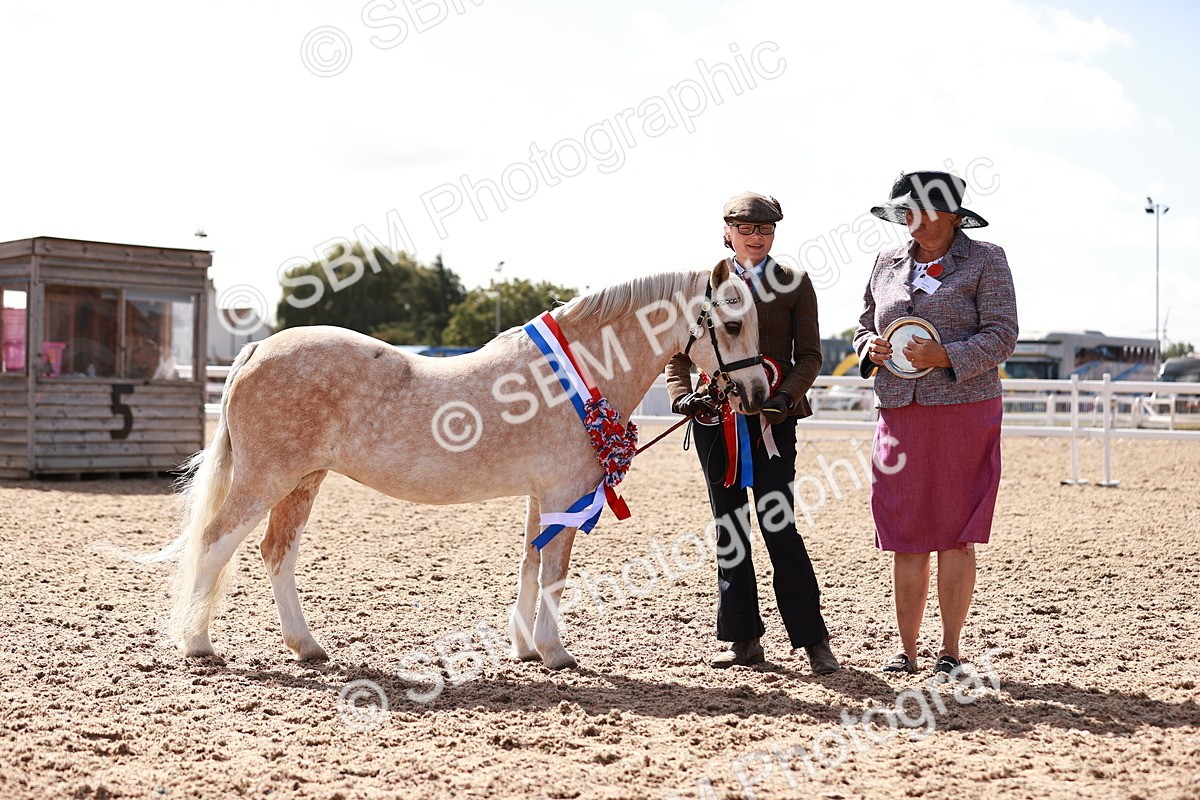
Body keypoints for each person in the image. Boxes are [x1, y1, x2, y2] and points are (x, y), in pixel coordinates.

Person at [852, 171, 1018, 676]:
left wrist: (946, 354)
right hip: (900, 410)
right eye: (904, 211)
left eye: (921, 211)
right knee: (905, 531)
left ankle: (950, 651)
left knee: (954, 532)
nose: (911, 221)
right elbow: (863, 324)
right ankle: (905, 652)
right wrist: (870, 349)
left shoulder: (986, 260)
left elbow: (1003, 335)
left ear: (951, 216)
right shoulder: (886, 262)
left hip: (963, 410)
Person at [666, 191, 839, 675]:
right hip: (716, 422)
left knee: (778, 524)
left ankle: (813, 640)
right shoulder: (702, 286)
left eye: (765, 230)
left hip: (773, 421)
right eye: (746, 230)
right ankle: (743, 638)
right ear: (728, 232)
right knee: (729, 527)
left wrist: (785, 399)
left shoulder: (795, 284)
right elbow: (678, 354)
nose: (756, 238)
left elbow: (810, 356)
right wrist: (683, 395)